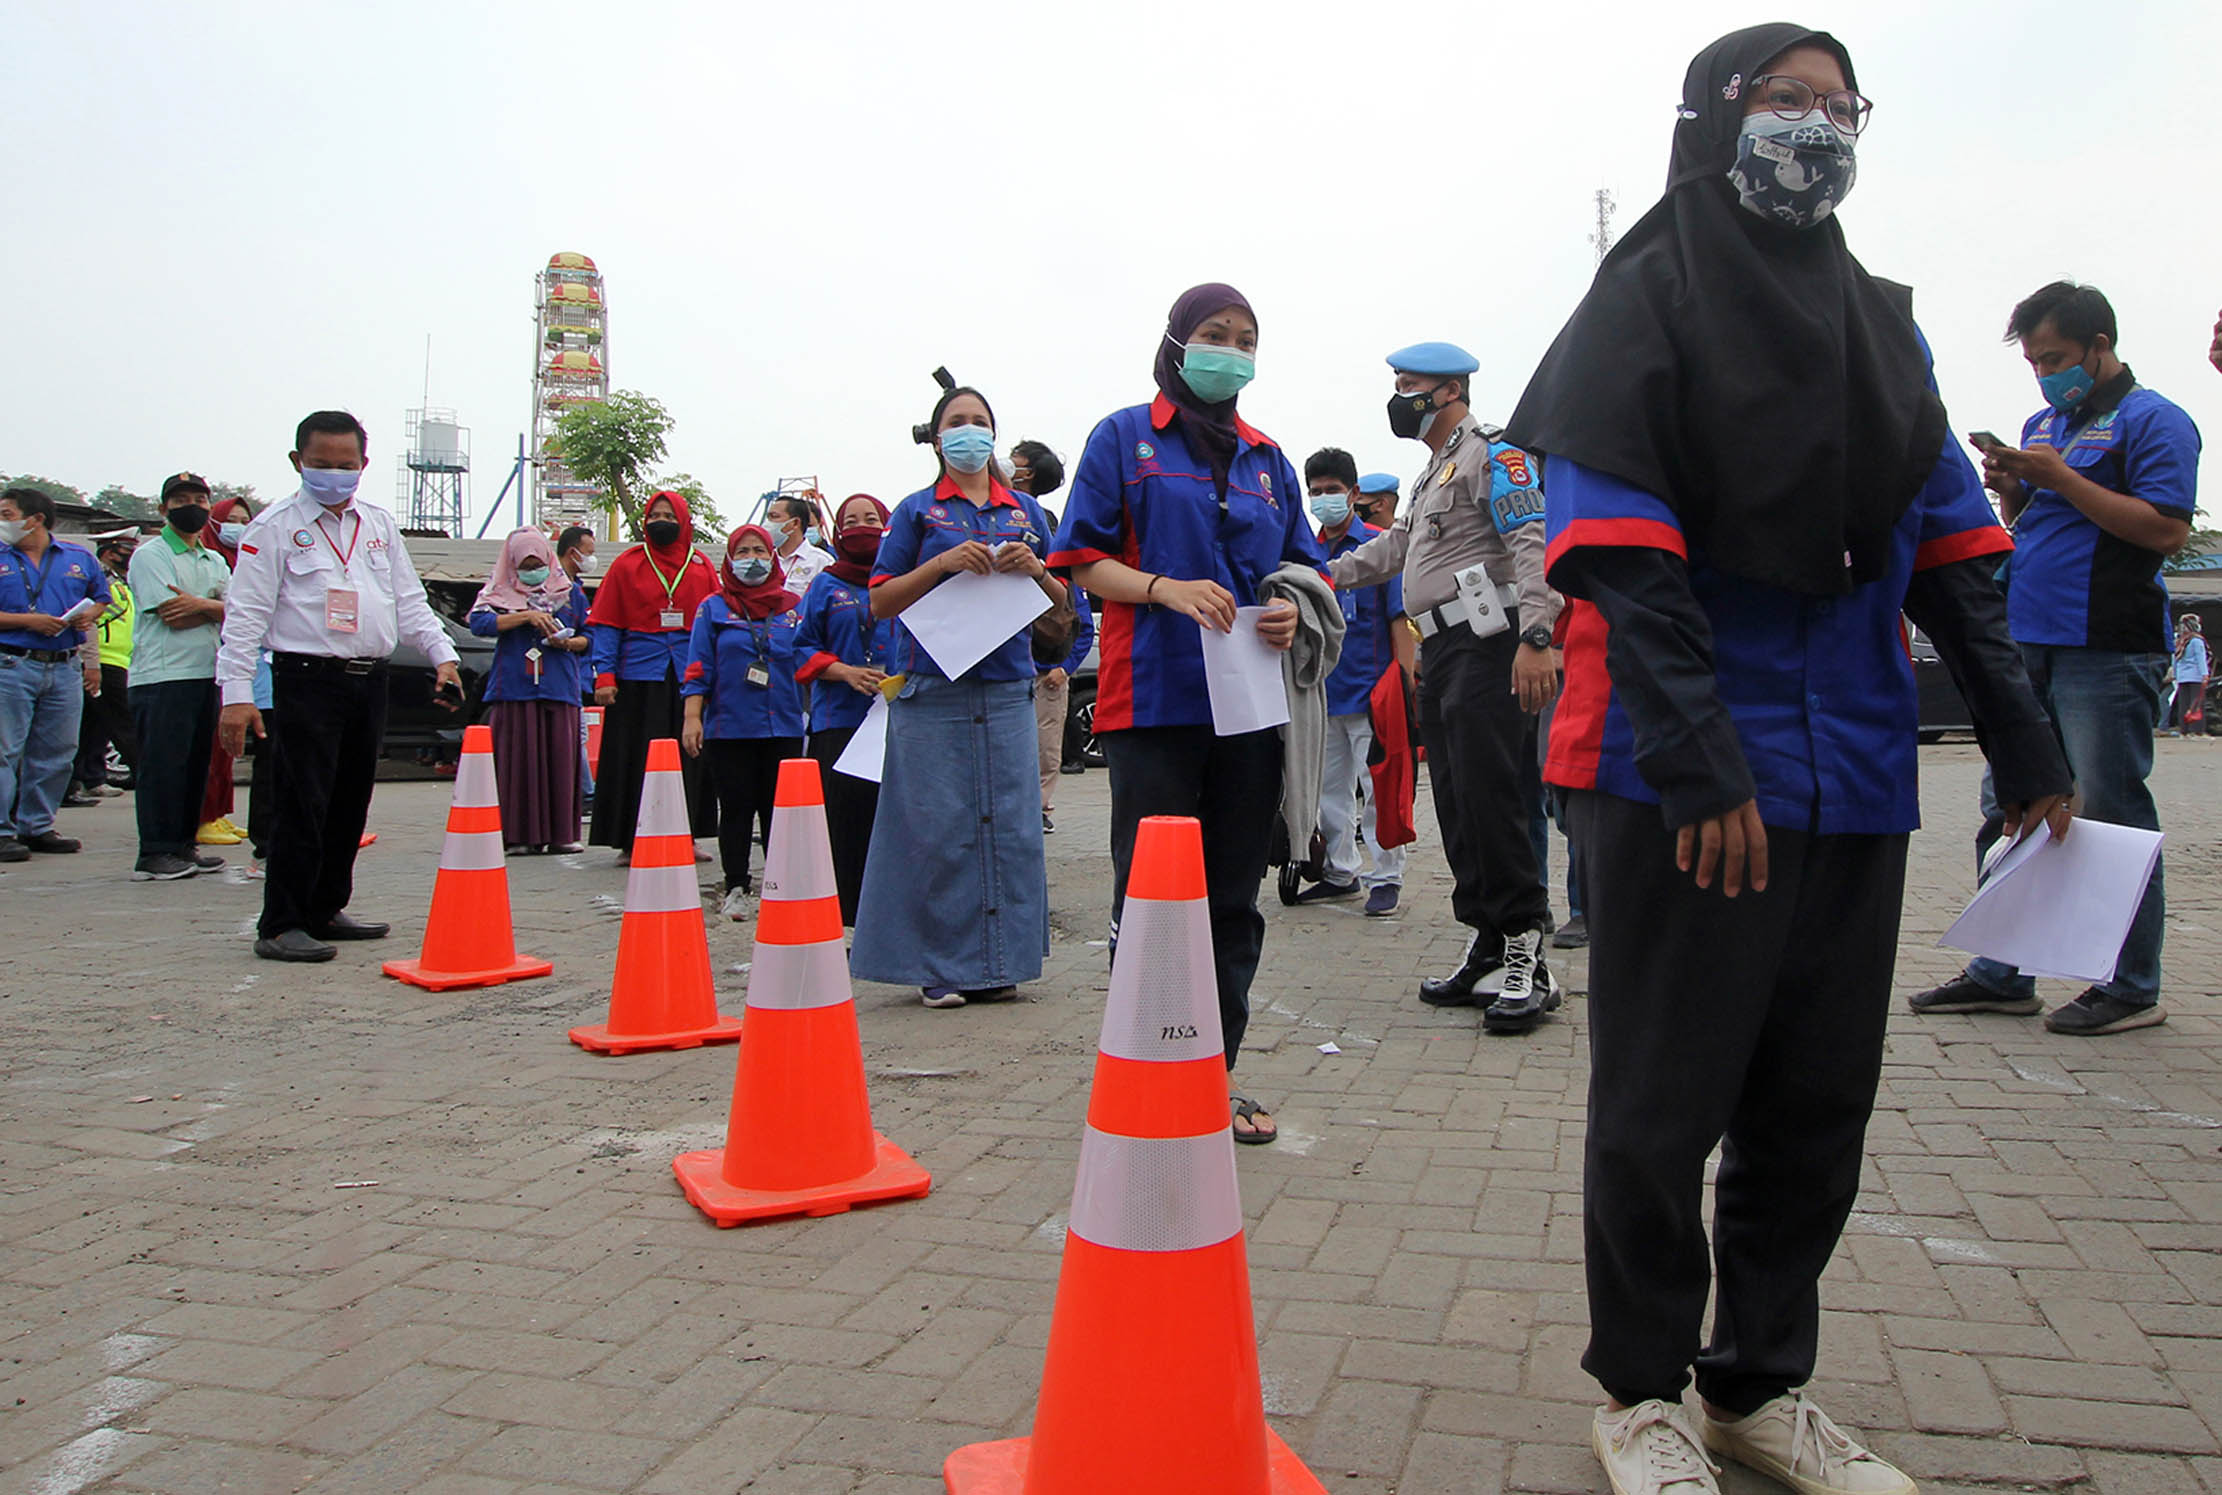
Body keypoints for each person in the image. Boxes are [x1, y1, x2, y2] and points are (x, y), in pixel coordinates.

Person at [1507, 27, 2076, 1495]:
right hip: (1682, 776)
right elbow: (1624, 561)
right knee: (1658, 1100)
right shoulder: (1640, 300)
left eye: (1841, 108)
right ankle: (1636, 1389)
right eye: (1786, 103)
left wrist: (2021, 736)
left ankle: (1756, 1384)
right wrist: (1702, 761)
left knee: (1816, 1098)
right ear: (1716, 117)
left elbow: (1952, 540)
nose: (1817, 131)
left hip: (1855, 772)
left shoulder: (1880, 326)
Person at [1049, 283, 1322, 1145]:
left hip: (1248, 705)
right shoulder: (1123, 436)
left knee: (1234, 896)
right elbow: (1080, 558)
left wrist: (1287, 608)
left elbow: (1301, 568)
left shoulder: (1270, 458)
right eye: (1214, 333)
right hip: (1152, 698)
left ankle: (1215, 1074)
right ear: (1177, 339)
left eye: (1245, 338)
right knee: (1154, 892)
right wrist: (1162, 588)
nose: (1230, 350)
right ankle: (1143, 1069)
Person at [1910, 281, 2201, 1037]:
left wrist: (2062, 479)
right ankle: (2001, 971)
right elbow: (2039, 523)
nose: (2046, 374)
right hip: (2028, 636)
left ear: (2100, 345)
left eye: (2058, 358)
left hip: (2104, 645)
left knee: (2110, 813)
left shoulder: (2155, 420)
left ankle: (2133, 985)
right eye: (2036, 361)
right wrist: (2015, 489)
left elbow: (2167, 530)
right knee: (2009, 802)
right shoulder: (2047, 424)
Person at [1327, 341, 1565, 1032]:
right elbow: (1396, 550)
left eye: (1411, 384)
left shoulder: (1497, 453)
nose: (1401, 397)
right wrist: (1327, 572)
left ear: (1451, 389)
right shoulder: (1435, 469)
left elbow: (1531, 539)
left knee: (1494, 796)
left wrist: (1537, 635)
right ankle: (1487, 938)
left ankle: (1528, 949)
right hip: (1443, 647)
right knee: (1458, 801)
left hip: (1492, 643)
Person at [216, 411, 462, 962]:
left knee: (350, 801)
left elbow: (409, 601)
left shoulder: (377, 525)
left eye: (345, 465)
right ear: (297, 462)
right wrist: (235, 694)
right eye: (321, 465)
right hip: (306, 679)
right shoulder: (273, 528)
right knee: (301, 802)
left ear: (363, 465)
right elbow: (245, 616)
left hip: (367, 679)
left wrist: (442, 656)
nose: (334, 475)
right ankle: (281, 922)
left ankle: (326, 907)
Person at [854, 379, 1063, 1010]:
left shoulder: (1025, 512)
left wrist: (1039, 571)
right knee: (937, 830)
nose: (969, 431)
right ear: (939, 436)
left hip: (1005, 688)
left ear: (993, 434)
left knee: (1010, 830)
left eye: (979, 420)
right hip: (931, 688)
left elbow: (1062, 604)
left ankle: (1002, 964)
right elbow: (880, 599)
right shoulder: (918, 511)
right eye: (956, 421)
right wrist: (941, 564)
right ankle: (939, 967)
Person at [1298, 447, 1409, 915]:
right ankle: (1341, 871)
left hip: (1372, 693)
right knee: (1328, 792)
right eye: (1316, 492)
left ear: (1354, 493)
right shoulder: (1306, 553)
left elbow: (1399, 621)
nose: (1324, 499)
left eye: (1333, 491)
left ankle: (1387, 875)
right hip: (1321, 695)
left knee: (1378, 789)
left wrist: (1402, 683)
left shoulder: (1377, 548)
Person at [585, 491, 719, 861]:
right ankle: (631, 839)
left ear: (683, 521)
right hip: (637, 675)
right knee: (635, 756)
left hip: (688, 677)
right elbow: (607, 624)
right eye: (654, 514)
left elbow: (715, 627)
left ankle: (686, 835)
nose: (661, 521)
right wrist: (605, 675)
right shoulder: (627, 565)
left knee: (689, 755)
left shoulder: (701, 566)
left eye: (669, 515)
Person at [682, 524, 804, 919]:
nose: (753, 558)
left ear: (773, 556)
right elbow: (698, 664)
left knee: (778, 811)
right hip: (729, 726)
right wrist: (692, 717)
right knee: (735, 809)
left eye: (760, 550)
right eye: (744, 551)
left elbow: (809, 662)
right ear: (730, 559)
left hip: (783, 725)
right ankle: (736, 885)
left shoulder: (793, 608)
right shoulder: (714, 608)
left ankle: (780, 887)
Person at [795, 494, 899, 924]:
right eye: (851, 520)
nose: (862, 527)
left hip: (898, 718)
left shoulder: (905, 578)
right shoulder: (825, 583)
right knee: (843, 821)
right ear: (837, 530)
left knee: (893, 820)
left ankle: (892, 913)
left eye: (871, 519)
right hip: (839, 720)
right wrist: (843, 672)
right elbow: (800, 648)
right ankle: (846, 916)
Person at [123, 476, 233, 880]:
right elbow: (171, 613)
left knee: (194, 765)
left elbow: (236, 611)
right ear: (164, 508)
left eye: (200, 499)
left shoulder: (214, 560)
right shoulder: (150, 556)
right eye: (182, 499)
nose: (193, 505)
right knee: (163, 765)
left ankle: (184, 846)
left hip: (206, 672)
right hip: (163, 676)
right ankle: (155, 852)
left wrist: (201, 606)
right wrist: (213, 608)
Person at [0, 486, 110, 862]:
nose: (3, 521)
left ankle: (37, 825)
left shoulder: (78, 558)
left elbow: (102, 599)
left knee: (57, 750)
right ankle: (2, 830)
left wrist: (89, 615)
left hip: (64, 664)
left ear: (36, 519)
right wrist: (27, 621)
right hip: (11, 663)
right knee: (5, 749)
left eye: (7, 514)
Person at [469, 528, 591, 855]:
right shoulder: (498, 593)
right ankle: (518, 835)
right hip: (515, 687)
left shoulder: (569, 592)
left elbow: (589, 637)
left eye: (538, 561)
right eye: (526, 563)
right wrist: (525, 616)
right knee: (517, 761)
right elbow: (478, 623)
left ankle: (562, 834)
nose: (533, 568)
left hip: (559, 685)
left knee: (561, 759)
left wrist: (567, 642)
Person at [70, 532, 140, 804]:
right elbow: (88, 623)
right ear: (110, 552)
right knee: (125, 724)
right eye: (126, 550)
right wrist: (92, 662)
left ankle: (89, 778)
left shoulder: (122, 583)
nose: (130, 556)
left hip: (120, 661)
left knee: (93, 726)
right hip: (102, 661)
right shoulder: (100, 582)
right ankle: (146, 774)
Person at [556, 524, 600, 806]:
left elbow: (589, 635)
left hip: (573, 676)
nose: (591, 559)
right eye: (588, 553)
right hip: (557, 677)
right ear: (573, 553)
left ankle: (586, 791)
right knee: (573, 734)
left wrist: (577, 643)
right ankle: (586, 792)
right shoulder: (554, 590)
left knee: (576, 733)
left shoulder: (576, 591)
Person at [766, 492, 830, 593]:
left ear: (795, 523)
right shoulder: (765, 560)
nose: (768, 523)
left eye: (774, 517)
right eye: (768, 518)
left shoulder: (822, 561)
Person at [2167, 614, 2207, 735]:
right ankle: (2197, 731)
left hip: (2182, 677)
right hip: (2195, 676)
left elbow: (2174, 659)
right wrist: (2205, 674)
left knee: (2183, 704)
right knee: (2196, 703)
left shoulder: (2179, 641)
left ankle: (2184, 730)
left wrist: (2175, 674)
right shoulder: (2196, 641)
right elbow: (2201, 659)